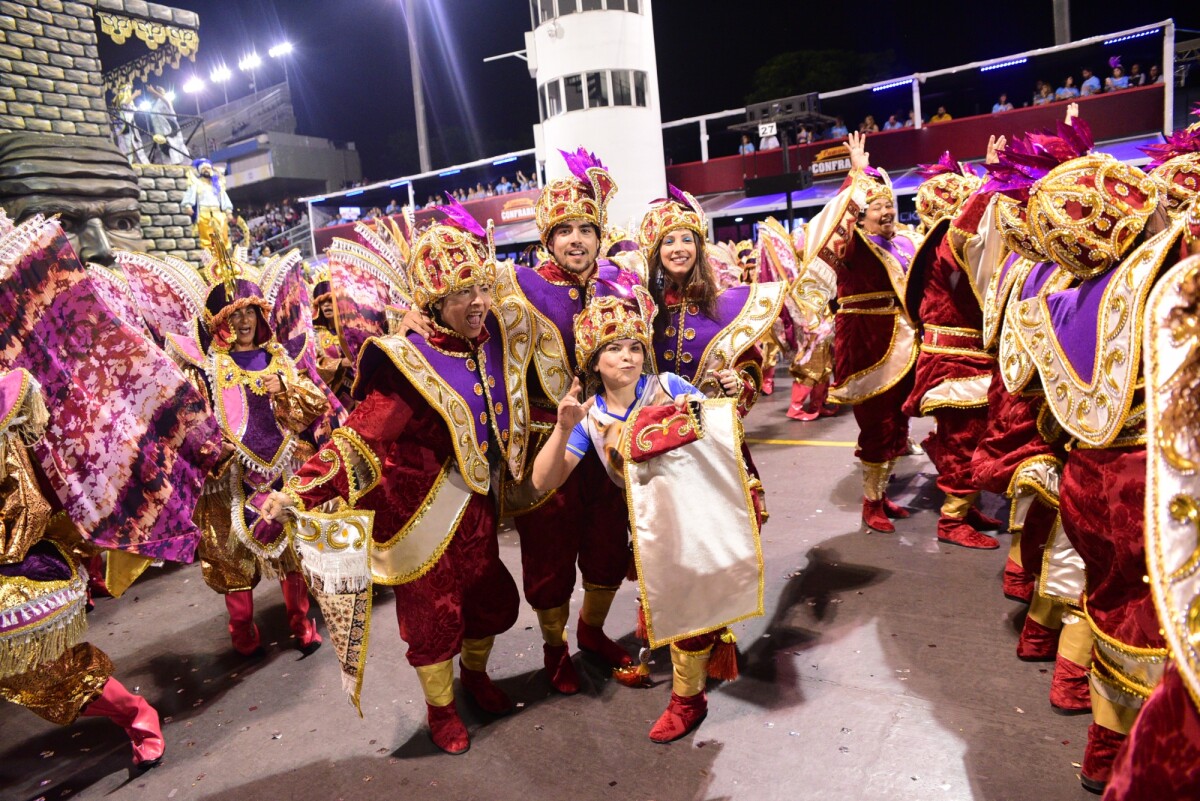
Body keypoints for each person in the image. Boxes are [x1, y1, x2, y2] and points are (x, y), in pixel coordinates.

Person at [265, 204, 526, 755]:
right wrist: (295, 491)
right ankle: (442, 709)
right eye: (461, 292)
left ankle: (475, 677)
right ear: (434, 302)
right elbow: (358, 439)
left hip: (479, 512)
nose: (477, 302)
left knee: (491, 601)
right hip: (423, 521)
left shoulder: (493, 340)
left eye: (481, 287)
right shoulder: (408, 364)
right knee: (433, 620)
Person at [402, 149, 642, 696]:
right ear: (546, 238)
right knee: (550, 557)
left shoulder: (623, 288)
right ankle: (555, 649)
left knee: (609, 545)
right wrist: (414, 318)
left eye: (586, 228)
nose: (576, 240)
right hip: (546, 443)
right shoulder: (515, 286)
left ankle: (593, 632)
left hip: (611, 442)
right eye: (564, 230)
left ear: (600, 234)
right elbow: (463, 318)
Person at [1004, 144, 1181, 793]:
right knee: (1159, 628)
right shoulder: (1160, 274)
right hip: (1147, 483)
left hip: (1087, 479)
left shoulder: (1056, 301)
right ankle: (1140, 763)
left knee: (1109, 612)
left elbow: (1028, 392)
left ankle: (1105, 748)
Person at [531, 290, 762, 743]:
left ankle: (686, 701)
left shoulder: (670, 385)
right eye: (614, 348)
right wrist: (562, 427)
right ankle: (690, 690)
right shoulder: (590, 418)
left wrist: (738, 392)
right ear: (594, 361)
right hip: (650, 530)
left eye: (635, 346)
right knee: (675, 609)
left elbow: (721, 428)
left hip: (696, 514)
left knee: (685, 610)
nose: (628, 357)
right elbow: (544, 480)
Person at [0, 368, 165, 770]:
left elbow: (28, 506)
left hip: (18, 563)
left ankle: (136, 714)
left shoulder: (6, 409)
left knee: (52, 673)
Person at [166, 258, 329, 658]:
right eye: (233, 316)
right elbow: (189, 420)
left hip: (284, 468)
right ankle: (242, 633)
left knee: (293, 553)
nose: (242, 323)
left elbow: (314, 405)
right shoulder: (206, 367)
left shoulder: (279, 358)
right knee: (231, 555)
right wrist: (212, 449)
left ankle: (302, 625)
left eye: (249, 313)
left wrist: (284, 390)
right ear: (218, 323)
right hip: (231, 476)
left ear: (261, 316)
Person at [801, 131, 921, 533]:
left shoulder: (902, 243)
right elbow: (839, 220)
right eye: (878, 207)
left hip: (903, 340)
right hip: (866, 341)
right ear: (862, 216)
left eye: (891, 204)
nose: (887, 211)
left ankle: (883, 493)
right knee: (876, 422)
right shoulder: (853, 245)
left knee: (897, 421)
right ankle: (871, 503)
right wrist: (857, 175)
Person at [901, 148, 1000, 549]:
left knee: (966, 438)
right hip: (956, 363)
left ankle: (965, 502)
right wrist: (993, 181)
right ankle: (952, 520)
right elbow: (965, 234)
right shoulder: (949, 241)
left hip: (962, 358)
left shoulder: (936, 242)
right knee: (965, 441)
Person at [639, 186, 783, 413]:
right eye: (669, 242)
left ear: (698, 247)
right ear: (656, 252)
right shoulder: (642, 308)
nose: (679, 249)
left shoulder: (726, 306)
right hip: (656, 430)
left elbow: (750, 368)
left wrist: (736, 383)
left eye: (687, 240)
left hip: (712, 430)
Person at [182, 158, 235, 256]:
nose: (206, 170)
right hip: (204, 213)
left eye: (208, 168)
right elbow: (190, 195)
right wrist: (188, 205)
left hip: (218, 213)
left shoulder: (217, 184)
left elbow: (223, 197)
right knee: (207, 238)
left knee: (223, 236)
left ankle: (225, 257)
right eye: (204, 168)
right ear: (200, 170)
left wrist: (228, 211)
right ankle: (212, 259)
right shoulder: (196, 184)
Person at [143, 84, 189, 165]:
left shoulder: (165, 99)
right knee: (165, 151)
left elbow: (166, 101)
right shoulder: (155, 104)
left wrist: (153, 91)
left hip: (170, 130)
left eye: (155, 93)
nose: (153, 95)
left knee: (175, 150)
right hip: (161, 132)